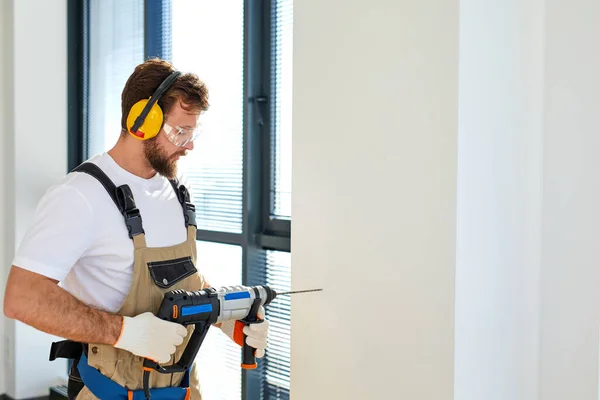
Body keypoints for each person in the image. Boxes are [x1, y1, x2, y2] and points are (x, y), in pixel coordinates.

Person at [3, 58, 269, 400]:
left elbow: (184, 280)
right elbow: (22, 298)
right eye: (180, 131)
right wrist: (124, 332)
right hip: (110, 391)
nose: (190, 145)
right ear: (141, 121)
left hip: (184, 390)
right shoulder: (80, 195)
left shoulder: (176, 189)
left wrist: (225, 318)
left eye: (193, 132)